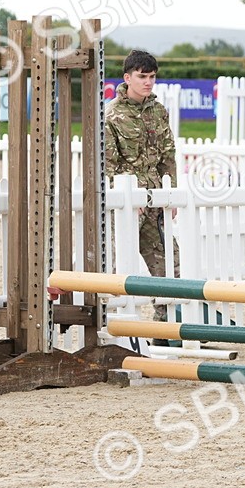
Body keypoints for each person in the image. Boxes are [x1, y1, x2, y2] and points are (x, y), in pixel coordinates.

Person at [105, 50, 179, 321]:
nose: (148, 82)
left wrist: (169, 196)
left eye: (152, 77)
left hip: (155, 199)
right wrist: (125, 202)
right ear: (127, 78)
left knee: (170, 265)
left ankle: (166, 327)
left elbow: (168, 155)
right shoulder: (112, 115)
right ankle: (115, 324)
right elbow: (109, 164)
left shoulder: (159, 111)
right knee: (118, 267)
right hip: (126, 202)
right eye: (142, 76)